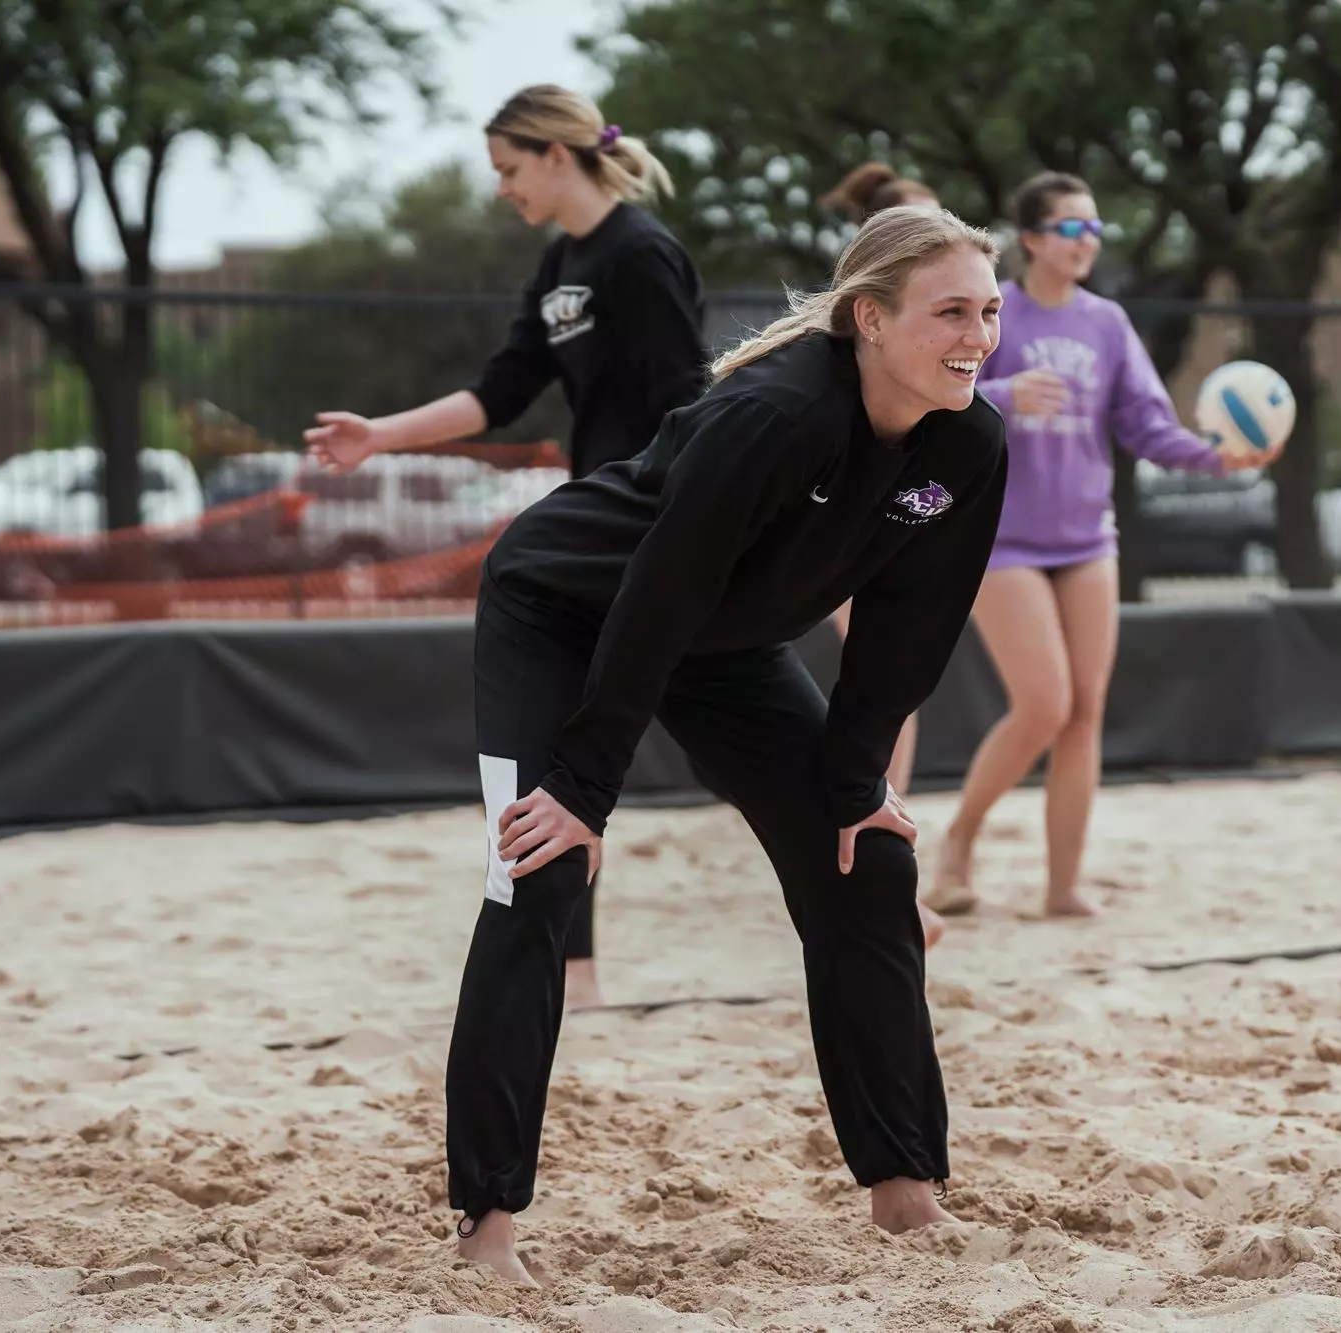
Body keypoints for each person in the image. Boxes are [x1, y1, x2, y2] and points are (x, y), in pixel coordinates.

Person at [433, 205, 1008, 1284]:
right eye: (949, 313)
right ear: (870, 319)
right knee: (539, 868)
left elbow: (904, 631)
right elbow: (657, 593)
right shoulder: (777, 418)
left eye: (986, 311)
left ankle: (905, 1191)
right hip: (565, 610)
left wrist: (853, 783)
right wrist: (582, 786)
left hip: (719, 641)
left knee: (867, 860)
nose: (975, 335)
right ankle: (486, 1225)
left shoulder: (964, 443)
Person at [305, 85, 706, 1011]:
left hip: (649, 528)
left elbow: (690, 404)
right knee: (567, 744)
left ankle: (874, 895)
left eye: (509, 169)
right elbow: (502, 390)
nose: (500, 189)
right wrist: (378, 436)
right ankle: (578, 976)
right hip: (600, 520)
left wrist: (679, 534)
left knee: (716, 737)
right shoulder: (562, 262)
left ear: (557, 156)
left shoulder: (642, 254)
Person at [922, 172, 1281, 921]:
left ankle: (1061, 886)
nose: (1087, 242)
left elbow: (1149, 427)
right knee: (1044, 703)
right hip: (1001, 537)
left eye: (1095, 229)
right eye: (1071, 228)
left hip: (1088, 538)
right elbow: (932, 394)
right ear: (1030, 240)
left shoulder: (1108, 325)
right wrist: (1005, 393)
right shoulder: (996, 315)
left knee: (1084, 710)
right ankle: (957, 838)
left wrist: (1221, 457)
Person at [819, 163, 948, 950]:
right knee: (876, 688)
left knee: (893, 691)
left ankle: (884, 861)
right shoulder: (860, 330)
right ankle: (872, 864)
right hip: (845, 528)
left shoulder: (949, 328)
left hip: (906, 519)